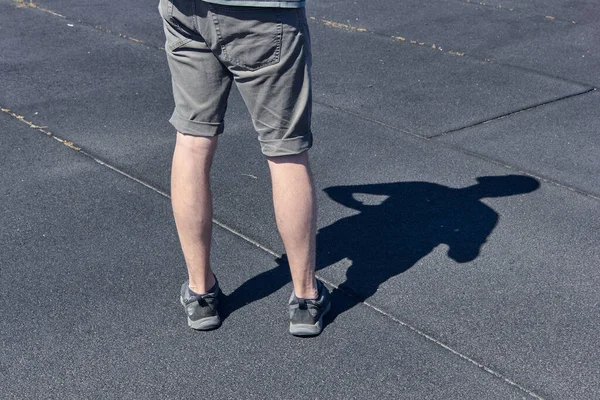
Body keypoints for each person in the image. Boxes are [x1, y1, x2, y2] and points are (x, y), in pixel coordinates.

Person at [159, 0, 330, 336]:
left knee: (192, 140)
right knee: (285, 151)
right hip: (264, 11)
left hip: (187, 9)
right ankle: (306, 300)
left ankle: (200, 293)